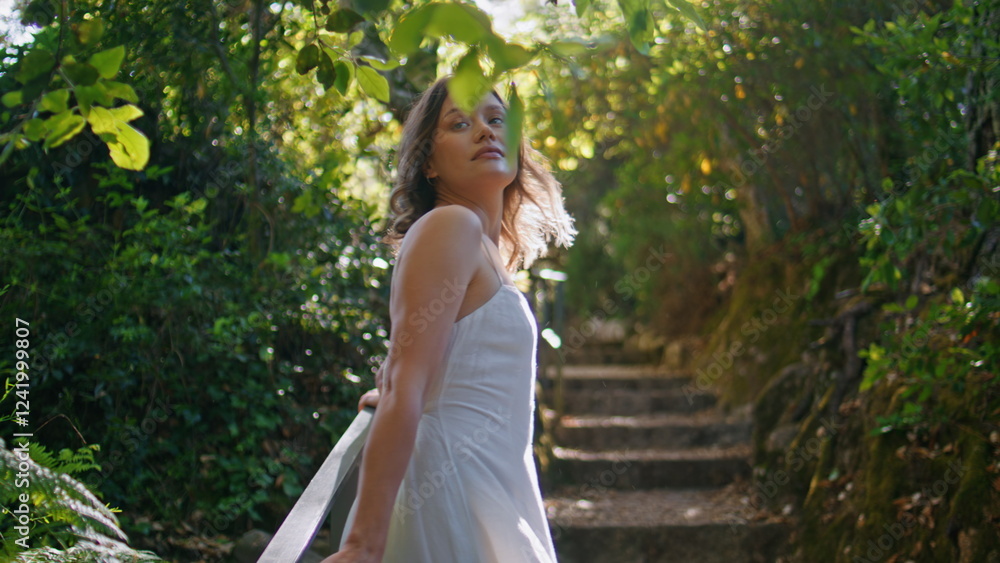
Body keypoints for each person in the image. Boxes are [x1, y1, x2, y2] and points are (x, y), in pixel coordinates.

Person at [321, 76, 576, 563]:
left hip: (490, 486)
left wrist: (417, 388)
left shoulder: (481, 247)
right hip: (447, 492)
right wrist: (362, 543)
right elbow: (404, 382)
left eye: (496, 120)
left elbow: (426, 365)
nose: (484, 131)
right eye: (460, 123)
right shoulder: (450, 225)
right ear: (429, 163)